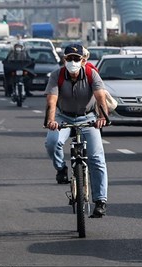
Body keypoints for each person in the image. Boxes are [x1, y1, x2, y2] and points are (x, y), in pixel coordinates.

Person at [44, 44, 109, 217]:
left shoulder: (90, 73)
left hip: (88, 117)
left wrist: (102, 118)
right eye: (69, 59)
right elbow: (52, 100)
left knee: (96, 157)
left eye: (76, 59)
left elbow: (100, 97)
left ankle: (100, 200)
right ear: (64, 59)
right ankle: (61, 169)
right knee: (52, 142)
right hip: (63, 117)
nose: (73, 62)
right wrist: (51, 120)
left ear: (83, 60)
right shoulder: (57, 75)